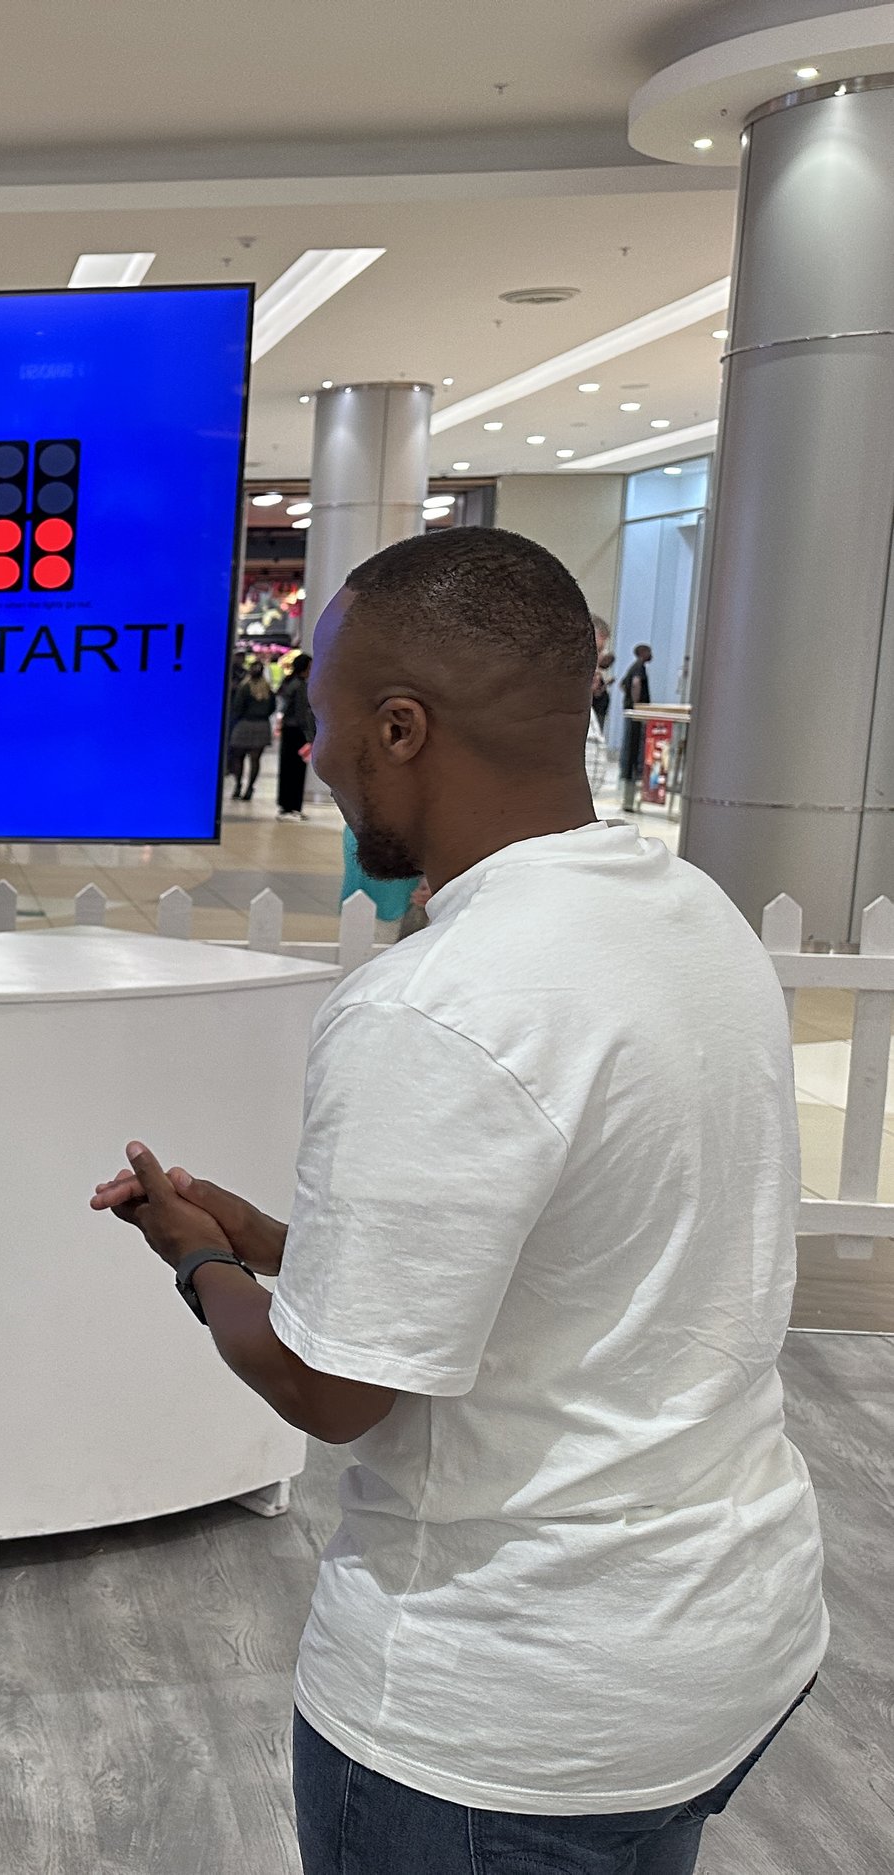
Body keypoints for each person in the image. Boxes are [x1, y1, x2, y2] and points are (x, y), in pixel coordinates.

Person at [91, 526, 825, 1875]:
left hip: (506, 1714)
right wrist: (273, 1239)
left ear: (400, 728)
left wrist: (197, 1262)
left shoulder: (437, 1003)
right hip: (730, 1632)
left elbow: (331, 1390)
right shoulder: (695, 919)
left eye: (321, 723)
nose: (309, 758)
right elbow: (570, 1274)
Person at [273, 652, 314, 818]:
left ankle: (285, 805)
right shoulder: (301, 686)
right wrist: (310, 735)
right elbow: (302, 713)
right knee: (297, 770)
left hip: (289, 731)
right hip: (298, 732)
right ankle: (293, 806)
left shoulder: (289, 683)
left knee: (287, 768)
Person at [227, 664, 276, 801]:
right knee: (255, 759)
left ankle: (238, 784)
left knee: (238, 756)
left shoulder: (244, 688)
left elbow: (237, 707)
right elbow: (272, 707)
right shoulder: (268, 689)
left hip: (244, 724)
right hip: (262, 726)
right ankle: (250, 787)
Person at [619, 640, 654, 801]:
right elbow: (635, 684)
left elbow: (622, 684)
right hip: (636, 712)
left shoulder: (633, 667)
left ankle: (628, 773)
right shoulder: (639, 667)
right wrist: (637, 705)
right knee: (634, 745)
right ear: (642, 653)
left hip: (631, 710)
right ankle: (631, 774)